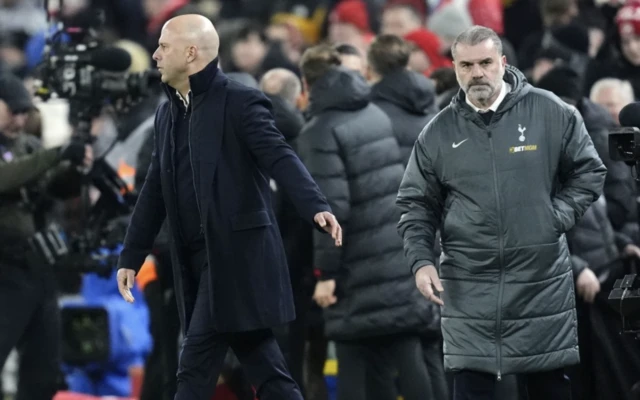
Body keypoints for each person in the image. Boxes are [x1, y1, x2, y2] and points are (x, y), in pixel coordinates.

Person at [115, 14, 342, 400]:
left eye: (164, 47)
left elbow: (279, 155)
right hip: (196, 261)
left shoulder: (239, 100)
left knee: (194, 366)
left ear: (190, 53)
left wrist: (315, 204)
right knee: (267, 371)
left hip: (236, 261)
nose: (154, 55)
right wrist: (131, 255)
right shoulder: (167, 111)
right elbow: (154, 189)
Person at [396, 25, 607, 400]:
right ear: (455, 68)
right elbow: (415, 204)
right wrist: (421, 262)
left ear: (503, 63)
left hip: (539, 279)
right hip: (468, 283)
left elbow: (589, 171)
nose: (477, 73)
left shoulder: (551, 111)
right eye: (466, 65)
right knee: (471, 388)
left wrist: (553, 218)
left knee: (548, 389)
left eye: (485, 63)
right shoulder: (437, 132)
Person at [298, 44, 437, 400]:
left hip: (355, 262)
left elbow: (331, 210)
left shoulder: (319, 130)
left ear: (307, 84)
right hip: (395, 251)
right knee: (405, 352)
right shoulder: (373, 113)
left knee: (354, 358)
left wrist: (325, 274)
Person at [0, 72, 93, 400]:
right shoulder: (33, 152)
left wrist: (75, 166)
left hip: (37, 268)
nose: (21, 119)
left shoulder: (27, 144)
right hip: (3, 270)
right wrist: (55, 155)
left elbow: (53, 187)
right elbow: (7, 177)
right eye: (13, 110)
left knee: (43, 367)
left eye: (26, 113)